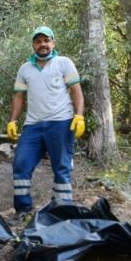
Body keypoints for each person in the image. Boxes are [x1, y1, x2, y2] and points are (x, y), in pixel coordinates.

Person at [6, 26, 85, 217]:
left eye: (46, 40)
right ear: (33, 44)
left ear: (53, 43)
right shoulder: (25, 69)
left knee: (61, 167)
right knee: (21, 164)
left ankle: (62, 209)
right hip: (32, 125)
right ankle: (23, 209)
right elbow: (18, 96)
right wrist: (13, 121)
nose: (42, 44)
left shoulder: (63, 63)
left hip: (61, 122)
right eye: (38, 41)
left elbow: (76, 91)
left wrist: (79, 115)